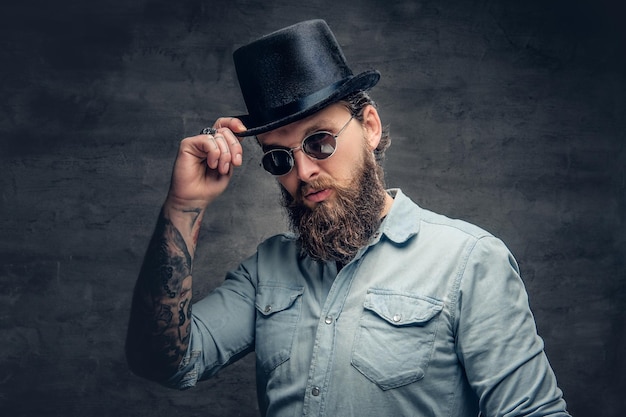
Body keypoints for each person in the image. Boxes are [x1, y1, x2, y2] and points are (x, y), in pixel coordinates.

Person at [126, 19, 570, 416]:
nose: (303, 172)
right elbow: (162, 361)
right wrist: (184, 206)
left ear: (371, 127)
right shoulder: (268, 269)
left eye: (319, 141)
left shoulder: (470, 262)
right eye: (279, 158)